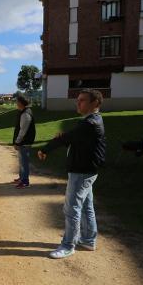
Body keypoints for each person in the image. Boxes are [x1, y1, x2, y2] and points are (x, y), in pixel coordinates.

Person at [37, 89, 106, 259]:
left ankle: (68, 245)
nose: (78, 103)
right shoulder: (91, 121)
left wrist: (45, 149)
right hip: (86, 170)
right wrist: (67, 138)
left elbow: (68, 138)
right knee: (86, 206)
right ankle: (89, 240)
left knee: (71, 208)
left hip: (82, 172)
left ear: (95, 103)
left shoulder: (90, 123)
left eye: (82, 100)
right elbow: (74, 139)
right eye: (78, 100)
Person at [12, 95, 36, 189]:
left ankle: (25, 182)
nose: (16, 103)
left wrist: (17, 142)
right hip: (23, 142)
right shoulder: (23, 112)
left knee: (24, 162)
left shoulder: (26, 114)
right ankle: (22, 178)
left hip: (25, 142)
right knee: (21, 161)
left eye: (17, 102)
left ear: (21, 103)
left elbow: (23, 130)